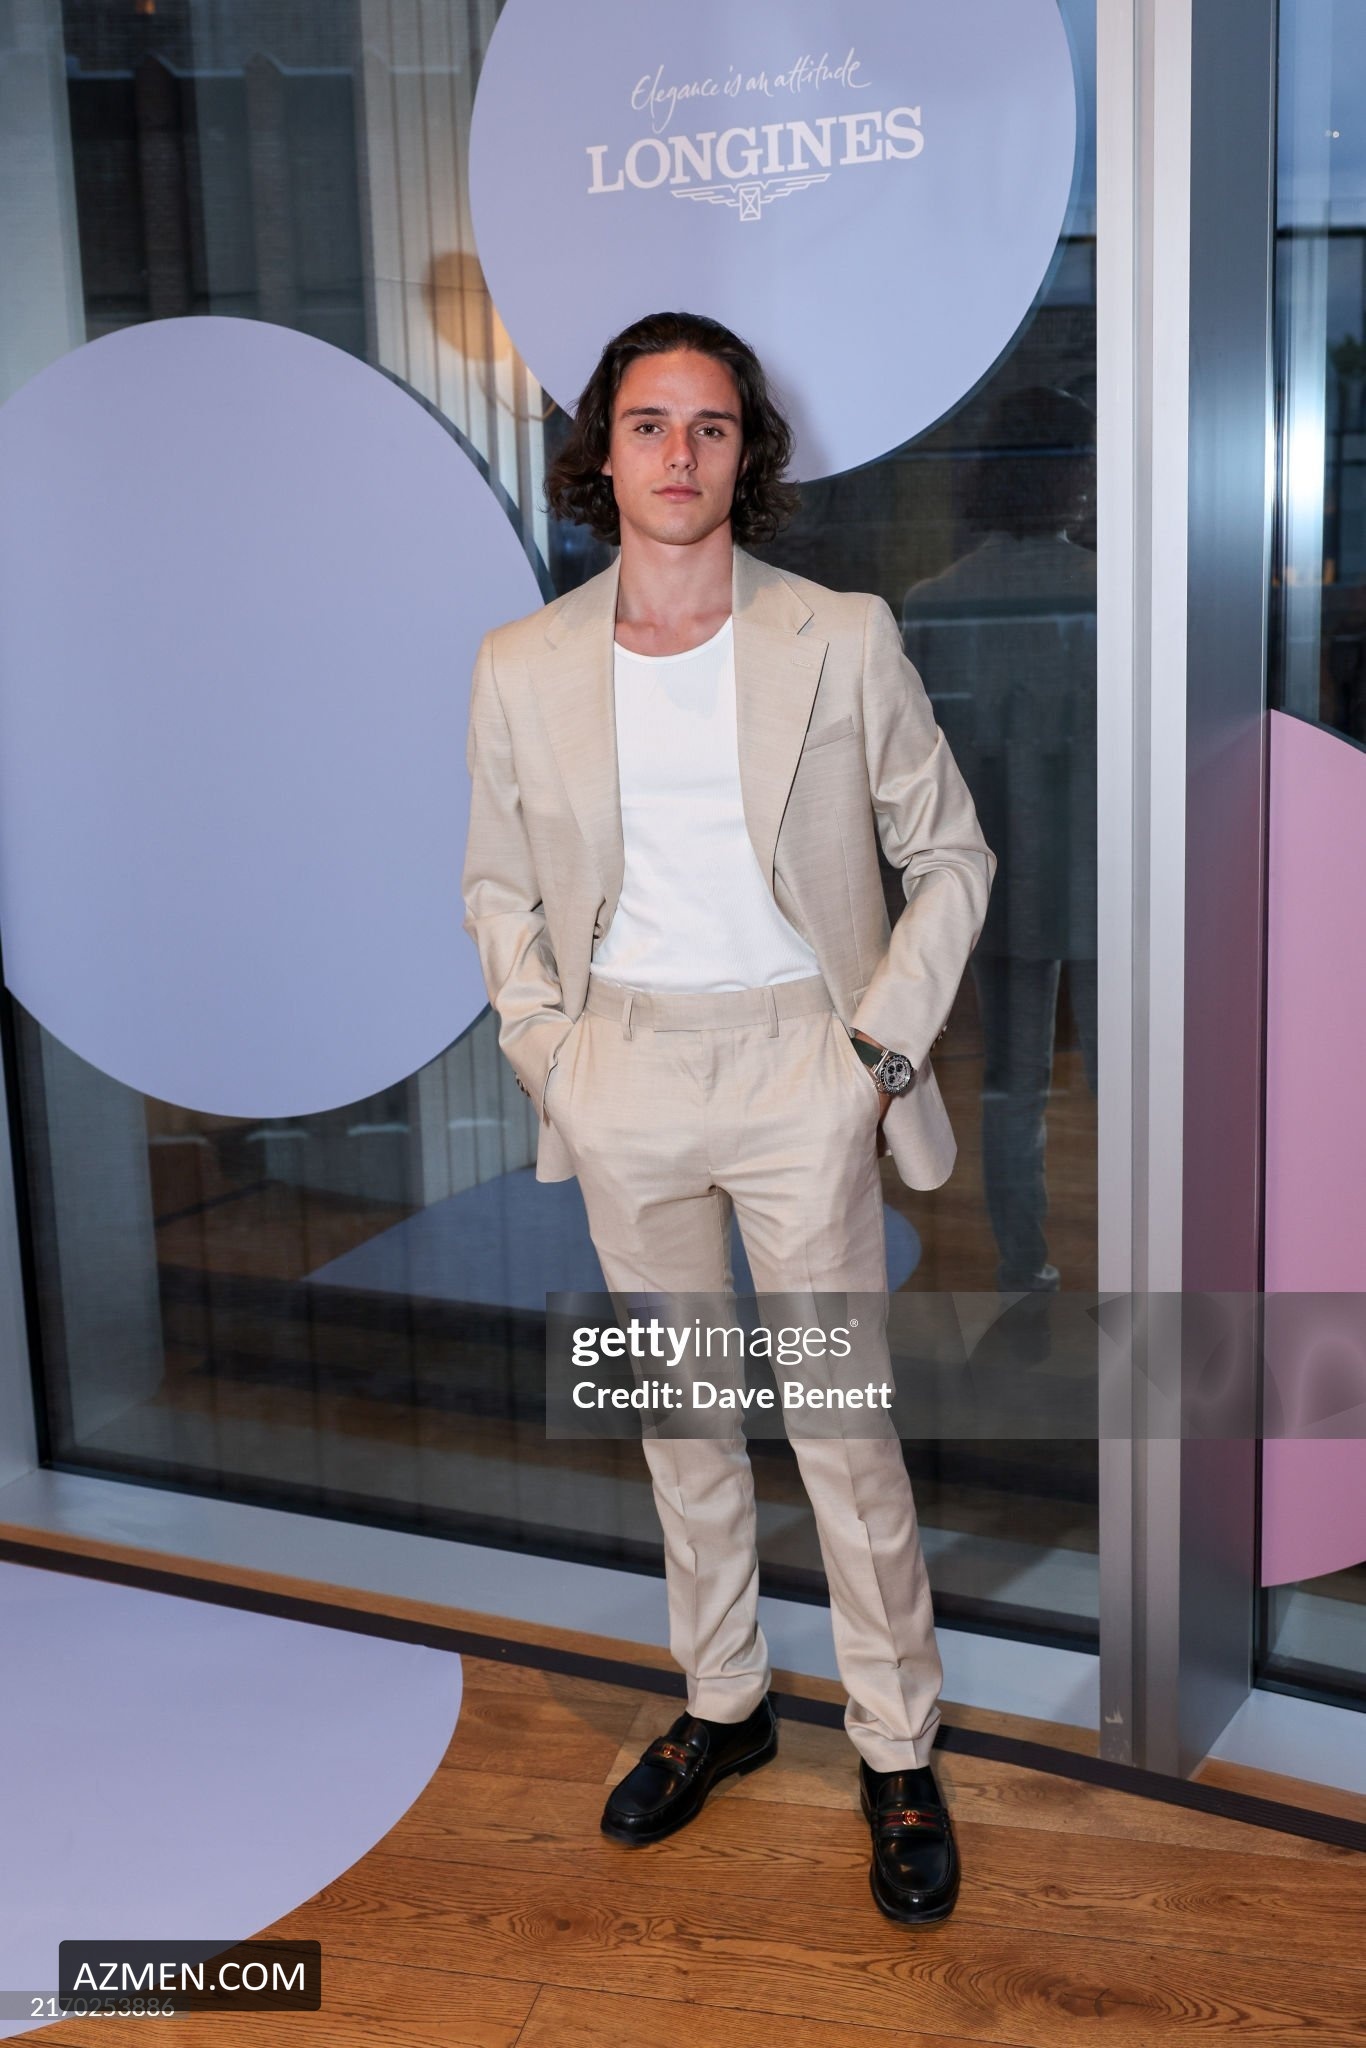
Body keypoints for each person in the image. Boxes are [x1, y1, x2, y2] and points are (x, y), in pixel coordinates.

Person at [461, 310, 994, 1926]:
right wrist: (552, 1057)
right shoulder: (521, 664)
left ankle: (895, 1746)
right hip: (623, 1072)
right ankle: (723, 1703)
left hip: (796, 1072)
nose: (677, 453)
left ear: (743, 451)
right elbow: (497, 890)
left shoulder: (838, 635)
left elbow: (950, 856)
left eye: (708, 425)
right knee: (682, 1422)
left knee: (839, 1429)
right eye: (647, 424)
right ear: (603, 451)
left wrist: (869, 1059)